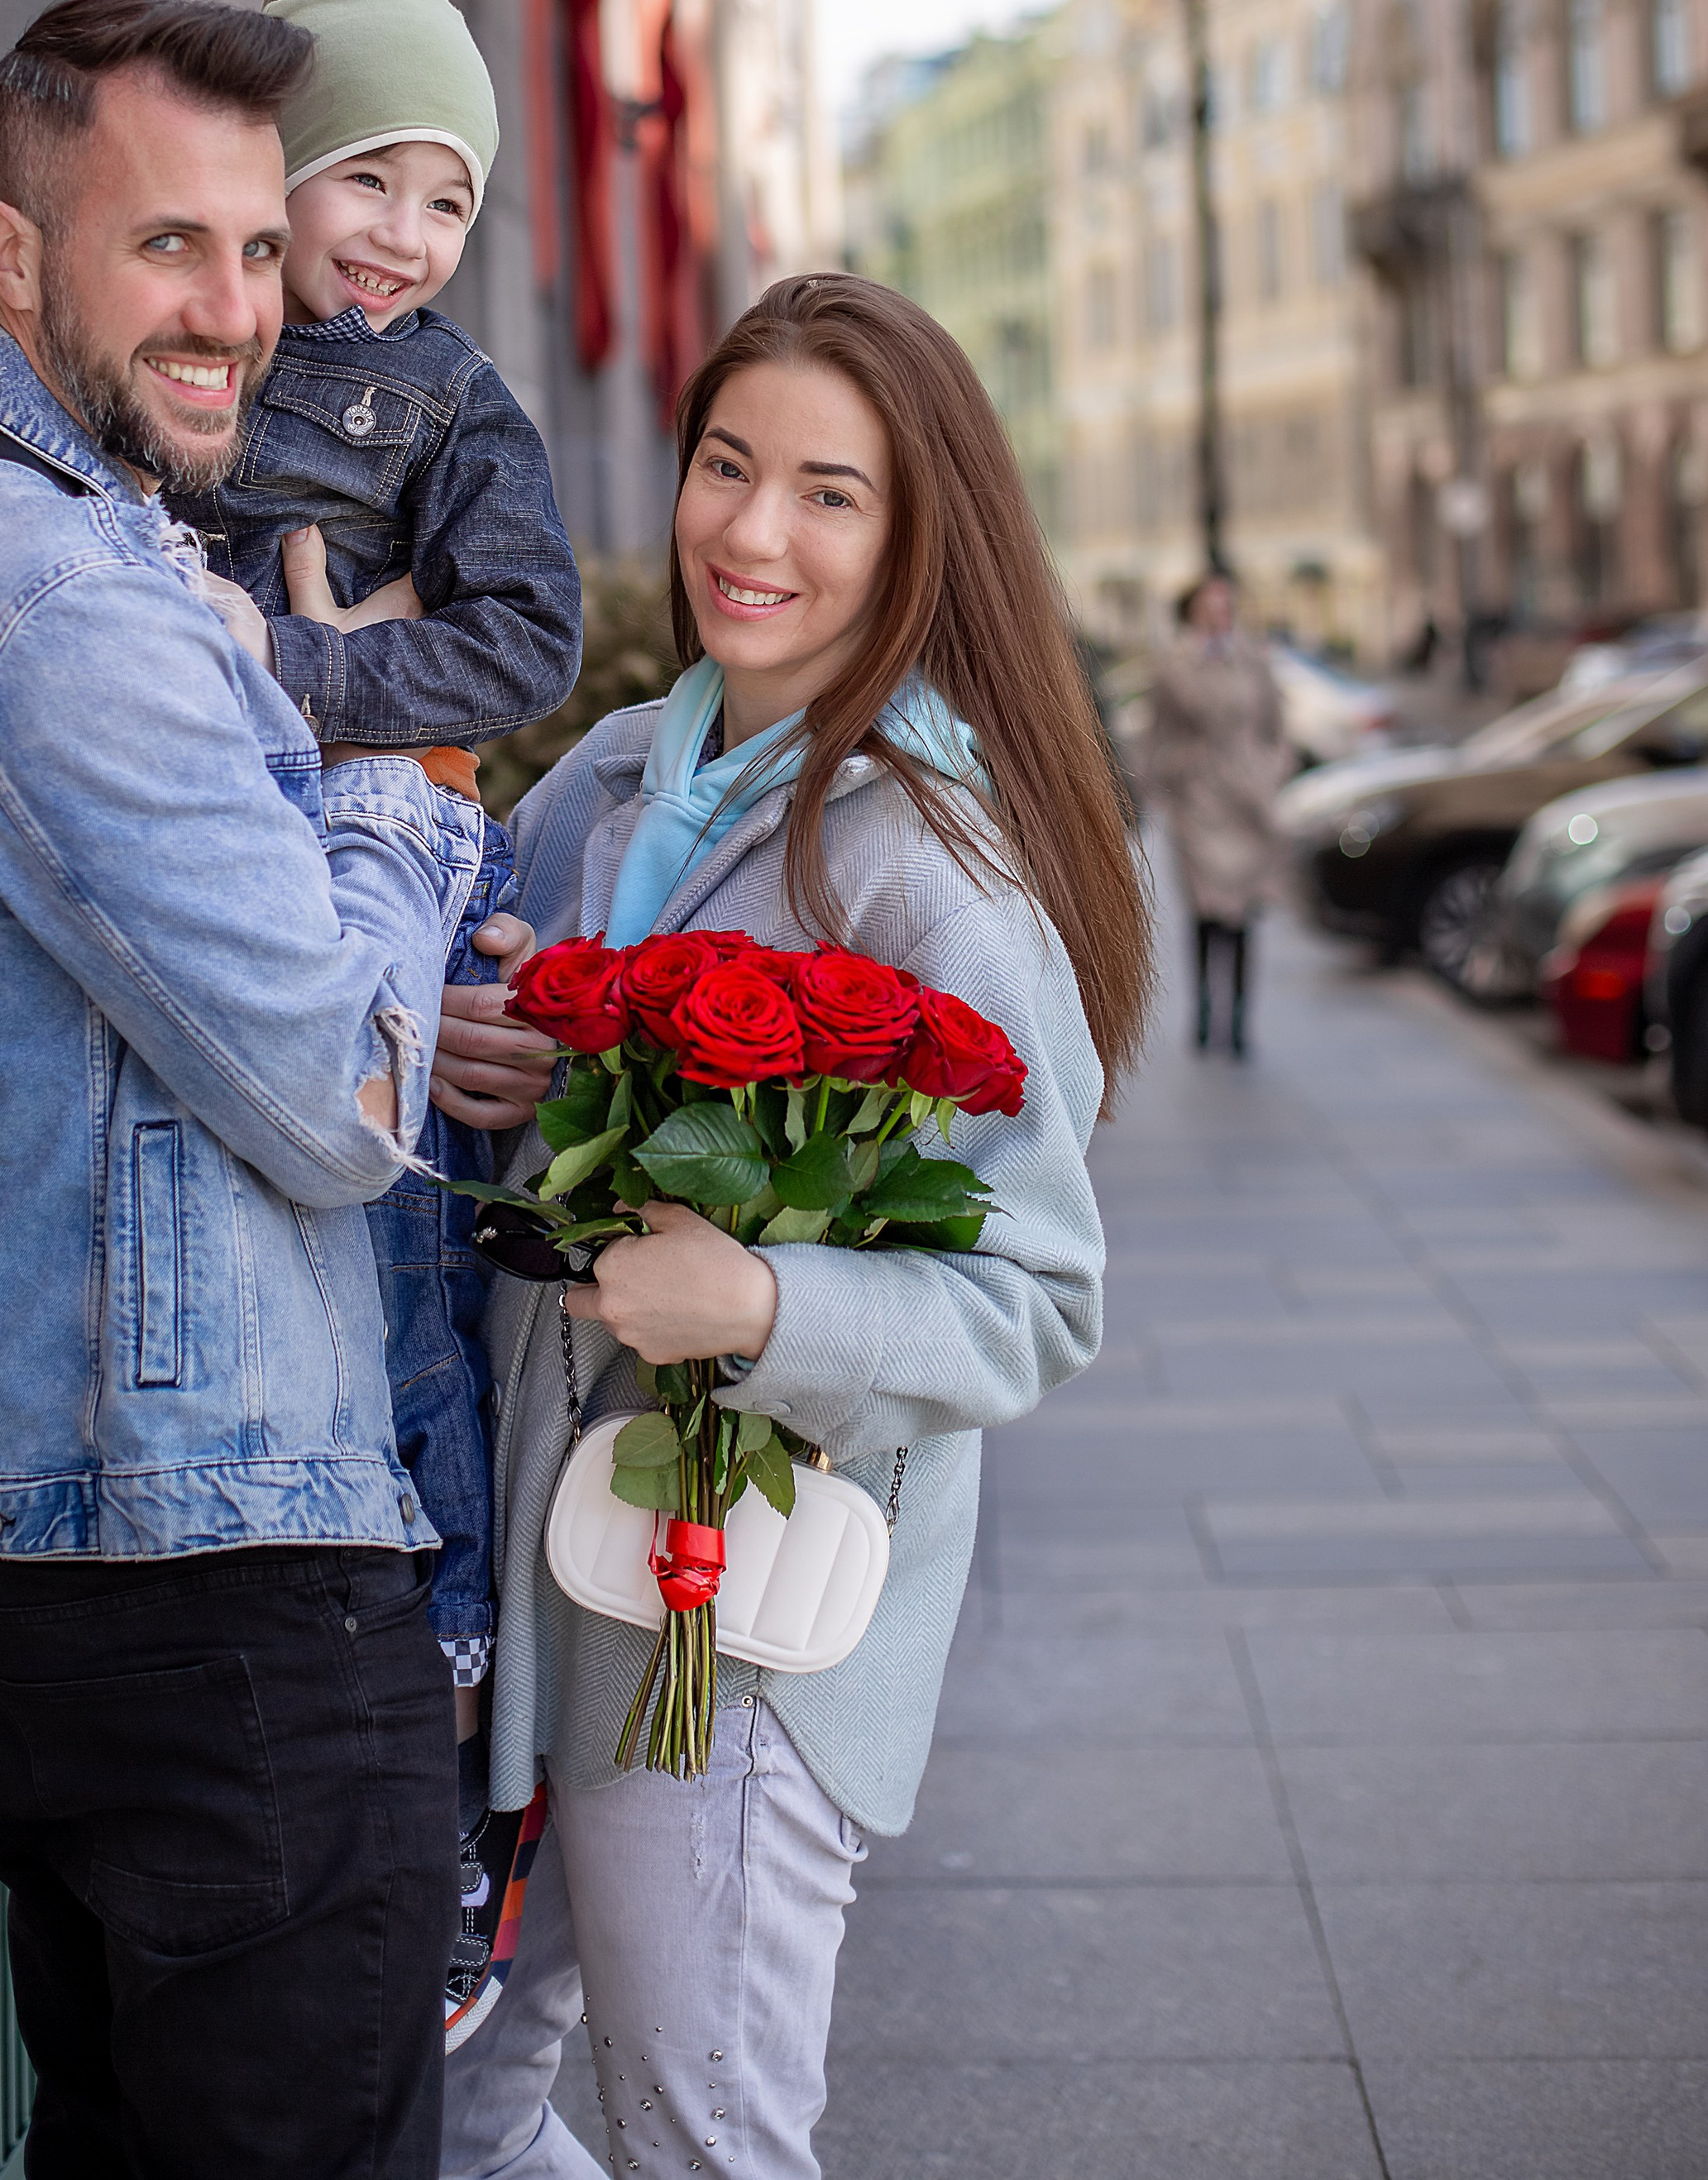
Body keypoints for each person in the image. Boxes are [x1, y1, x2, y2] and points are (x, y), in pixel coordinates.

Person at [0, 0, 586, 2014]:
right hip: (203, 1587)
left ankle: (459, 1699)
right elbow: (345, 1098)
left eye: (257, 245)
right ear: (16, 257)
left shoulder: (0, 510)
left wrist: (306, 674)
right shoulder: (67, 592)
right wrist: (380, 789)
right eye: (172, 242)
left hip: (39, 1530)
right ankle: (456, 1719)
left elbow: (515, 633)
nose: (245, 300)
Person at [438, 272, 1155, 2180]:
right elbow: (540, 1125)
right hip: (529, 1581)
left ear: (917, 537)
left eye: (828, 492)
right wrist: (486, 1058)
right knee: (449, 2112)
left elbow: (1036, 1296)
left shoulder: (931, 867)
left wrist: (759, 1299)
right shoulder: (607, 778)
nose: (751, 530)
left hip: (734, 1634)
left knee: (704, 2138)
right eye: (725, 465)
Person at [1142, 570, 1289, 1056]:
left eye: (1226, 603)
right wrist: (1167, 781)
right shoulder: (1175, 665)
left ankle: (1241, 1022)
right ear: (1192, 610)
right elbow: (1157, 734)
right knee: (1206, 909)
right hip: (1199, 802)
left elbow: (1276, 727)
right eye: (1210, 603)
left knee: (1243, 913)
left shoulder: (1253, 660)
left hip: (1248, 803)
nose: (1219, 611)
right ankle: (1205, 1013)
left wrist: (1269, 772)